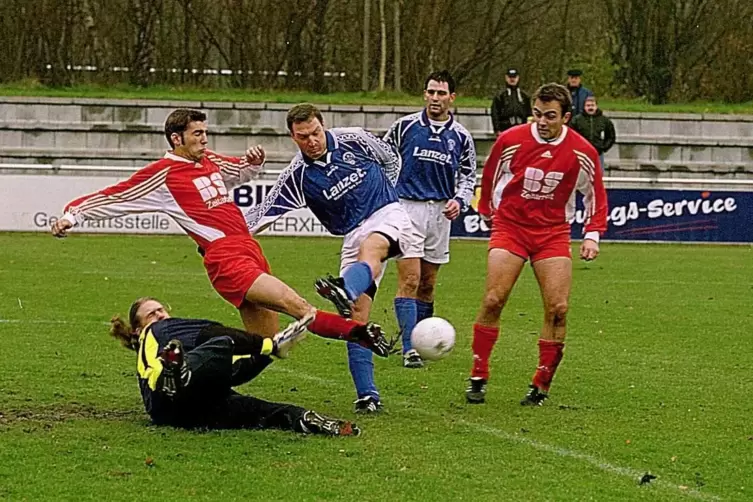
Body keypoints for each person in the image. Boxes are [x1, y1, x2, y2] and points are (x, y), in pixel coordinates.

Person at [50, 108, 391, 359]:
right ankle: (361, 333)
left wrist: (252, 163)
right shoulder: (163, 174)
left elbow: (237, 172)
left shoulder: (208, 160)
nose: (204, 139)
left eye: (205, 132)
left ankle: (188, 368)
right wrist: (73, 214)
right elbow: (116, 195)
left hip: (249, 248)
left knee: (266, 347)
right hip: (225, 257)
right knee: (298, 306)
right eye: (197, 134)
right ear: (176, 138)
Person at [245, 103, 409, 413]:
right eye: (303, 137)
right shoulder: (298, 175)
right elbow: (261, 213)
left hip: (386, 212)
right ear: (294, 138)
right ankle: (367, 396)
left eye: (316, 133)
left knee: (371, 251)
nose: (312, 141)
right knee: (356, 318)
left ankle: (344, 288)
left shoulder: (354, 139)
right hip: (351, 233)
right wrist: (223, 236)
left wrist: (389, 191)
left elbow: (390, 156)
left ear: (324, 126)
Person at [464, 83, 608, 406]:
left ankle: (541, 383)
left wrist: (592, 234)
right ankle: (479, 373)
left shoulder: (582, 151)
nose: (542, 122)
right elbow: (490, 175)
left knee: (558, 308)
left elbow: (595, 193)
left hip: (553, 233)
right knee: (493, 299)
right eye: (538, 114)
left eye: (551, 116)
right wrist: (486, 209)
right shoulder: (511, 140)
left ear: (566, 117)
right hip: (511, 227)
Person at [110, 296, 359, 435]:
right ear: (139, 328)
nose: (161, 316)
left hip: (186, 412)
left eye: (161, 310)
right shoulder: (155, 332)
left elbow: (236, 372)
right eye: (152, 313)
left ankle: (311, 421)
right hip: (165, 395)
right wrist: (269, 346)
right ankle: (174, 377)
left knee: (264, 411)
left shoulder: (177, 344)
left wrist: (266, 356)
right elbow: (214, 334)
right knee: (221, 342)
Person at [382, 70, 476, 368]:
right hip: (407, 209)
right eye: (431, 92)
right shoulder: (405, 127)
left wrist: (459, 200)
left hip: (440, 215)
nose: (435, 98)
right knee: (410, 278)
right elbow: (382, 158)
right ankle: (409, 347)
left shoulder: (460, 136)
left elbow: (468, 175)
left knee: (428, 284)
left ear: (452, 97)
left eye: (441, 93)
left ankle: (421, 343)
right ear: (425, 94)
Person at [569, 95, 617, 170]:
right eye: (588, 105)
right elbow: (570, 136)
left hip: (597, 154)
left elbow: (611, 136)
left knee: (598, 176)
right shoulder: (576, 120)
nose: (590, 107)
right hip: (581, 154)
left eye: (592, 105)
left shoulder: (605, 121)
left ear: (596, 106)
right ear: (584, 106)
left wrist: (603, 147)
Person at [491, 68, 533, 135]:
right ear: (506, 78)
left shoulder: (524, 96)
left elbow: (529, 114)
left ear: (518, 78)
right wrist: (497, 130)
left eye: (514, 77)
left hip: (521, 129)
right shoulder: (500, 96)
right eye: (510, 77)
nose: (512, 79)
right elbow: (495, 114)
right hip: (505, 129)